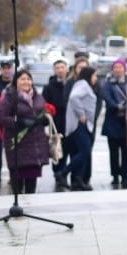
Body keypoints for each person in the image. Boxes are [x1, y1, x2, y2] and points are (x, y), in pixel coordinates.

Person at [0, 68, 51, 195]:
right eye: (22, 79)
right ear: (16, 82)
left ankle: (30, 206)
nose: (26, 82)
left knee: (32, 182)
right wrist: (19, 121)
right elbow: (1, 116)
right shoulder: (10, 97)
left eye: (28, 79)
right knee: (17, 183)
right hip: (18, 145)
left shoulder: (38, 96)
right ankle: (18, 207)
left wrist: (45, 119)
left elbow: (44, 111)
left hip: (35, 146)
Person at [100, 59, 127, 187]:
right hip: (112, 122)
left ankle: (125, 176)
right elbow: (107, 98)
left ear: (124, 69)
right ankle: (115, 175)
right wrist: (117, 106)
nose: (118, 69)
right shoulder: (108, 83)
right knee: (113, 153)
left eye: (121, 67)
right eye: (116, 67)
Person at [64, 65, 98, 191]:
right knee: (85, 152)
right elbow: (73, 97)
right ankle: (63, 173)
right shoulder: (83, 84)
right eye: (94, 75)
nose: (96, 78)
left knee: (83, 152)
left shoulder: (83, 85)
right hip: (80, 125)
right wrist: (81, 114)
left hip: (85, 125)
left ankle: (78, 179)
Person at [42, 59, 71, 190]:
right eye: (57, 68)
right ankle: (57, 174)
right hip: (56, 122)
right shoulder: (49, 87)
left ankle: (64, 174)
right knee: (56, 149)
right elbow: (45, 104)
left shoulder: (71, 84)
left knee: (68, 149)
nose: (60, 70)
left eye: (62, 67)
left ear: (67, 69)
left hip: (70, 121)